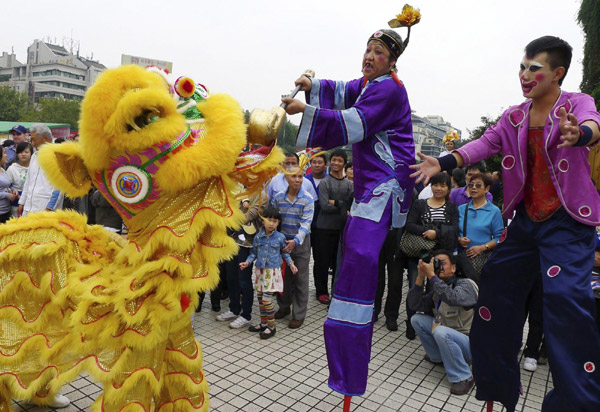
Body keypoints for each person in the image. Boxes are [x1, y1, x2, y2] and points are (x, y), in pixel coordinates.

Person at [410, 36, 600, 412]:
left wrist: (580, 134)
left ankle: (577, 400)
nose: (524, 75)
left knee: (565, 299)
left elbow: (594, 124)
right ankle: (497, 384)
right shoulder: (514, 116)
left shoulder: (576, 104)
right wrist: (443, 162)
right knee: (495, 290)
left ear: (557, 73)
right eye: (522, 66)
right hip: (527, 221)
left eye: (534, 68)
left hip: (568, 221)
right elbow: (484, 144)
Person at [281, 8, 419, 395]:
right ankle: (344, 346)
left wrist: (304, 112)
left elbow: (351, 123)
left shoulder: (390, 88)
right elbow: (343, 90)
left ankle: (350, 358)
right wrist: (311, 84)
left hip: (385, 188)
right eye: (367, 49)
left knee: (358, 257)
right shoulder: (371, 83)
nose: (369, 56)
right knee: (352, 262)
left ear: (391, 61)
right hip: (369, 189)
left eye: (377, 52)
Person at [407, 250, 478, 395]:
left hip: (472, 346)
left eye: (442, 263)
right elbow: (414, 305)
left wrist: (432, 276)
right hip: (449, 339)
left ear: (454, 268)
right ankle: (438, 358)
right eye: (435, 263)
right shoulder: (437, 290)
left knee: (440, 331)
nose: (439, 267)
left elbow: (452, 298)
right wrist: (420, 277)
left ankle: (464, 376)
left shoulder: (467, 284)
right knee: (417, 320)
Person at [403, 172, 458, 338]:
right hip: (420, 253)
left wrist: (437, 233)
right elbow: (409, 224)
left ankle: (430, 324)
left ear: (449, 188)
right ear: (430, 186)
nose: (439, 188)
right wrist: (427, 232)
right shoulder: (420, 204)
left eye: (443, 185)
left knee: (435, 290)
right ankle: (411, 322)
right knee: (415, 287)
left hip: (441, 257)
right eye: (435, 184)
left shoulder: (452, 208)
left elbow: (455, 230)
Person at [241, 207, 298, 339]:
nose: (272, 223)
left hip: (272, 273)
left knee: (267, 299)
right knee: (260, 299)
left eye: (275, 221)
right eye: (269, 220)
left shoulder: (280, 237)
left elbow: (285, 253)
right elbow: (253, 253)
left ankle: (271, 327)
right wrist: (247, 262)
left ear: (278, 223)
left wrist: (291, 264)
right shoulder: (257, 237)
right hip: (260, 271)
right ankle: (263, 323)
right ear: (263, 221)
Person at [271, 166, 314, 329]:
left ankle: (298, 315)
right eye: (294, 176)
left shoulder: (308, 199)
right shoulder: (279, 198)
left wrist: (295, 241)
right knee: (283, 277)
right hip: (282, 243)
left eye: (300, 176)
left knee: (301, 279)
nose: (297, 180)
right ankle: (283, 307)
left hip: (301, 244)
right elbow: (274, 220)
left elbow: (306, 224)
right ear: (286, 178)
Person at [216, 195, 266, 329]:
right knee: (231, 277)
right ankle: (234, 309)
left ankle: (246, 315)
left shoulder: (262, 195)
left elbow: (248, 216)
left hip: (248, 245)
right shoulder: (239, 190)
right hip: (232, 241)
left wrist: (231, 217)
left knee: (243, 279)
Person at [313, 149, 353, 304]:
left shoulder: (349, 184)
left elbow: (351, 205)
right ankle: (321, 291)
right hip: (323, 228)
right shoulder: (325, 182)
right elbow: (324, 206)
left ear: (344, 163)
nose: (336, 163)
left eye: (340, 161)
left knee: (338, 263)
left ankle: (336, 291)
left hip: (342, 229)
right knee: (321, 262)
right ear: (330, 162)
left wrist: (334, 202)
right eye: (334, 160)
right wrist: (342, 206)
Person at [457, 173, 503, 268]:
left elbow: (499, 237)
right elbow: (453, 231)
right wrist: (459, 240)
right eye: (471, 185)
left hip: (483, 260)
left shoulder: (494, 211)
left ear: (487, 189)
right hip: (462, 259)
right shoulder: (461, 209)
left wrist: (482, 248)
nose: (474, 188)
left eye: (478, 185)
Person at [17, 124, 63, 217]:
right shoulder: (34, 156)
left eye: (34, 139)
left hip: (45, 210)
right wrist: (21, 203)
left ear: (45, 138)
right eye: (31, 140)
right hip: (28, 208)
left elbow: (59, 187)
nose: (32, 144)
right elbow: (28, 182)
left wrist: (49, 208)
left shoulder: (58, 157)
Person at [5, 142, 33, 217]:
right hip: (15, 204)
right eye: (20, 152)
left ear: (31, 154)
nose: (23, 154)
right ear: (17, 154)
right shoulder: (12, 168)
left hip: (31, 204)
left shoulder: (35, 168)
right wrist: (12, 190)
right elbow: (6, 185)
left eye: (26, 152)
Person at [0, 146, 19, 223]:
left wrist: (13, 189)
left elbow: (8, 184)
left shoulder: (2, 170)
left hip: (6, 210)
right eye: (4, 153)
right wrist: (7, 195)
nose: (6, 155)